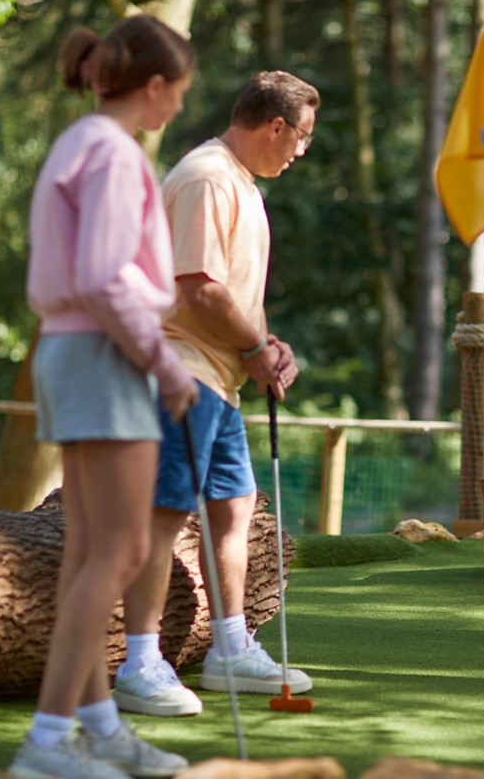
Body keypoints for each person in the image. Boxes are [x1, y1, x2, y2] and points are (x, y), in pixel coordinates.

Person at [13, 15, 198, 779]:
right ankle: (50, 743)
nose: (180, 109)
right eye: (179, 93)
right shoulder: (116, 155)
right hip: (103, 354)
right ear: (152, 87)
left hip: (67, 350)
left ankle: (93, 726)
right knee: (118, 550)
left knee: (88, 553)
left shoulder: (77, 143)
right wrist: (164, 362)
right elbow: (104, 275)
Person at [110, 70, 318, 716]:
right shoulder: (206, 176)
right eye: (301, 136)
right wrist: (255, 349)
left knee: (234, 503)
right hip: (179, 369)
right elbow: (195, 288)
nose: (302, 151)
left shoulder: (241, 184)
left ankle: (230, 647)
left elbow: (225, 295)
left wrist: (262, 341)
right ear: (275, 125)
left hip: (217, 373)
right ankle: (141, 662)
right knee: (165, 510)